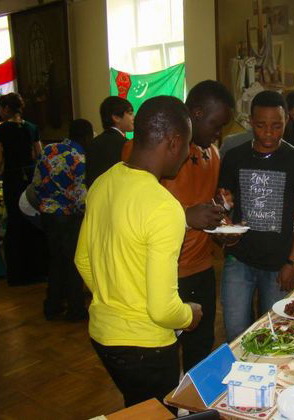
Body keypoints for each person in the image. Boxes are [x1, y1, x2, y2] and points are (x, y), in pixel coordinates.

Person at [74, 96, 203, 409]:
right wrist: (189, 315)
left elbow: (82, 260)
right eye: (187, 145)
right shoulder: (164, 207)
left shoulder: (103, 182)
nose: (187, 154)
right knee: (158, 412)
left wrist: (116, 297)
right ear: (174, 142)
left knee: (137, 408)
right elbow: (162, 309)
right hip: (146, 346)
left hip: (103, 336)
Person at [122, 80, 234, 373]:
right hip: (162, 271)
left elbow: (205, 202)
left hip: (201, 268)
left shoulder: (214, 154)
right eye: (215, 125)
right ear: (196, 113)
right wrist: (187, 216)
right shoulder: (149, 150)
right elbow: (134, 209)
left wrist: (221, 220)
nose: (219, 133)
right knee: (162, 356)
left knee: (201, 348)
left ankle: (191, 399)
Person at [218, 90, 294, 341]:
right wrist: (224, 220)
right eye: (261, 126)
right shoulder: (235, 157)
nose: (269, 133)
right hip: (239, 259)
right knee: (236, 332)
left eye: (276, 126)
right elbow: (222, 204)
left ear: (287, 122)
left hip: (279, 264)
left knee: (274, 335)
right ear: (251, 122)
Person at [32, 119, 94, 321]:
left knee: (56, 261)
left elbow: (36, 182)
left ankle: (52, 306)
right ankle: (75, 310)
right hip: (69, 216)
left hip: (47, 214)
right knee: (73, 263)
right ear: (87, 136)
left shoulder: (49, 149)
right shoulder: (79, 157)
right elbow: (80, 195)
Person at [0, 92, 48, 286]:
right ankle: (39, 270)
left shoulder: (0, 130)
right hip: (30, 178)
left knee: (15, 221)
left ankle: (19, 273)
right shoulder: (31, 127)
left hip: (13, 177)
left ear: (6, 109)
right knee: (32, 220)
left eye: (0, 108)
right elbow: (39, 154)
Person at [85, 96, 134, 188]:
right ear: (116, 117)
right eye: (130, 113)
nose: (133, 117)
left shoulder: (93, 143)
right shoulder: (126, 145)